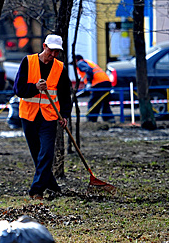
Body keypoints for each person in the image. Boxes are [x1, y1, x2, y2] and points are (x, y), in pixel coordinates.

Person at [13, 34, 72, 200]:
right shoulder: (28, 61)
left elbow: (65, 95)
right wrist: (35, 87)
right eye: (51, 51)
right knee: (37, 154)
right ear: (44, 46)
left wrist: (65, 115)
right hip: (29, 115)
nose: (53, 55)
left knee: (46, 152)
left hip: (50, 116)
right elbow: (18, 89)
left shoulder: (60, 68)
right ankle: (52, 186)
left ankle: (36, 190)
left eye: (56, 52)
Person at [73, 55, 115, 122]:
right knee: (105, 102)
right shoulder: (88, 62)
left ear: (76, 60)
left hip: (98, 83)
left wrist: (89, 82)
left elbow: (88, 70)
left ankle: (91, 120)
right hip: (106, 82)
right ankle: (109, 119)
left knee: (94, 102)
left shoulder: (80, 63)